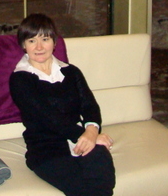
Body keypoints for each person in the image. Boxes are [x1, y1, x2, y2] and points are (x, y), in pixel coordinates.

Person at [9, 13, 116, 196]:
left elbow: (89, 106)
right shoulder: (20, 79)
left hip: (81, 140)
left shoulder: (71, 72)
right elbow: (47, 117)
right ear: (23, 45)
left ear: (54, 42)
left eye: (45, 39)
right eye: (32, 41)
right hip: (46, 149)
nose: (39, 47)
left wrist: (92, 132)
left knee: (104, 179)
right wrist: (85, 136)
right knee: (85, 190)